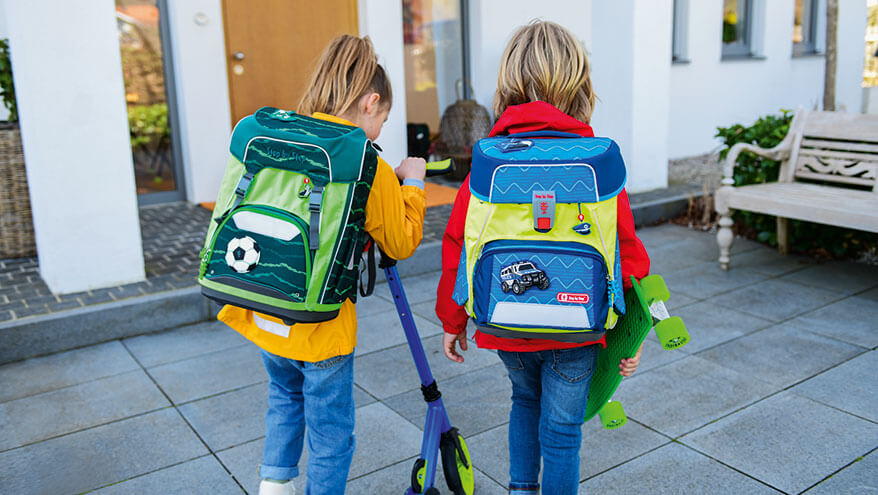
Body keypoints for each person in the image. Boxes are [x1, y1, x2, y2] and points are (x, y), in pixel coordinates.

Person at [435, 21, 651, 495]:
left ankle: (519, 490)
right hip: (579, 325)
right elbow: (630, 257)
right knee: (563, 431)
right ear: (580, 85)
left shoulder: (490, 161)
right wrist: (634, 335)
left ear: (508, 84)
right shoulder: (596, 164)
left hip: (505, 323)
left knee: (523, 402)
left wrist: (452, 321)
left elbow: (458, 245)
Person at [217, 35, 426, 495]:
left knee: (285, 398)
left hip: (265, 303)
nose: (380, 132)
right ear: (371, 103)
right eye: (383, 119)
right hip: (321, 324)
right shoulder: (363, 159)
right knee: (331, 433)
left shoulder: (285, 135)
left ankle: (274, 487)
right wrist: (412, 185)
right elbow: (401, 239)